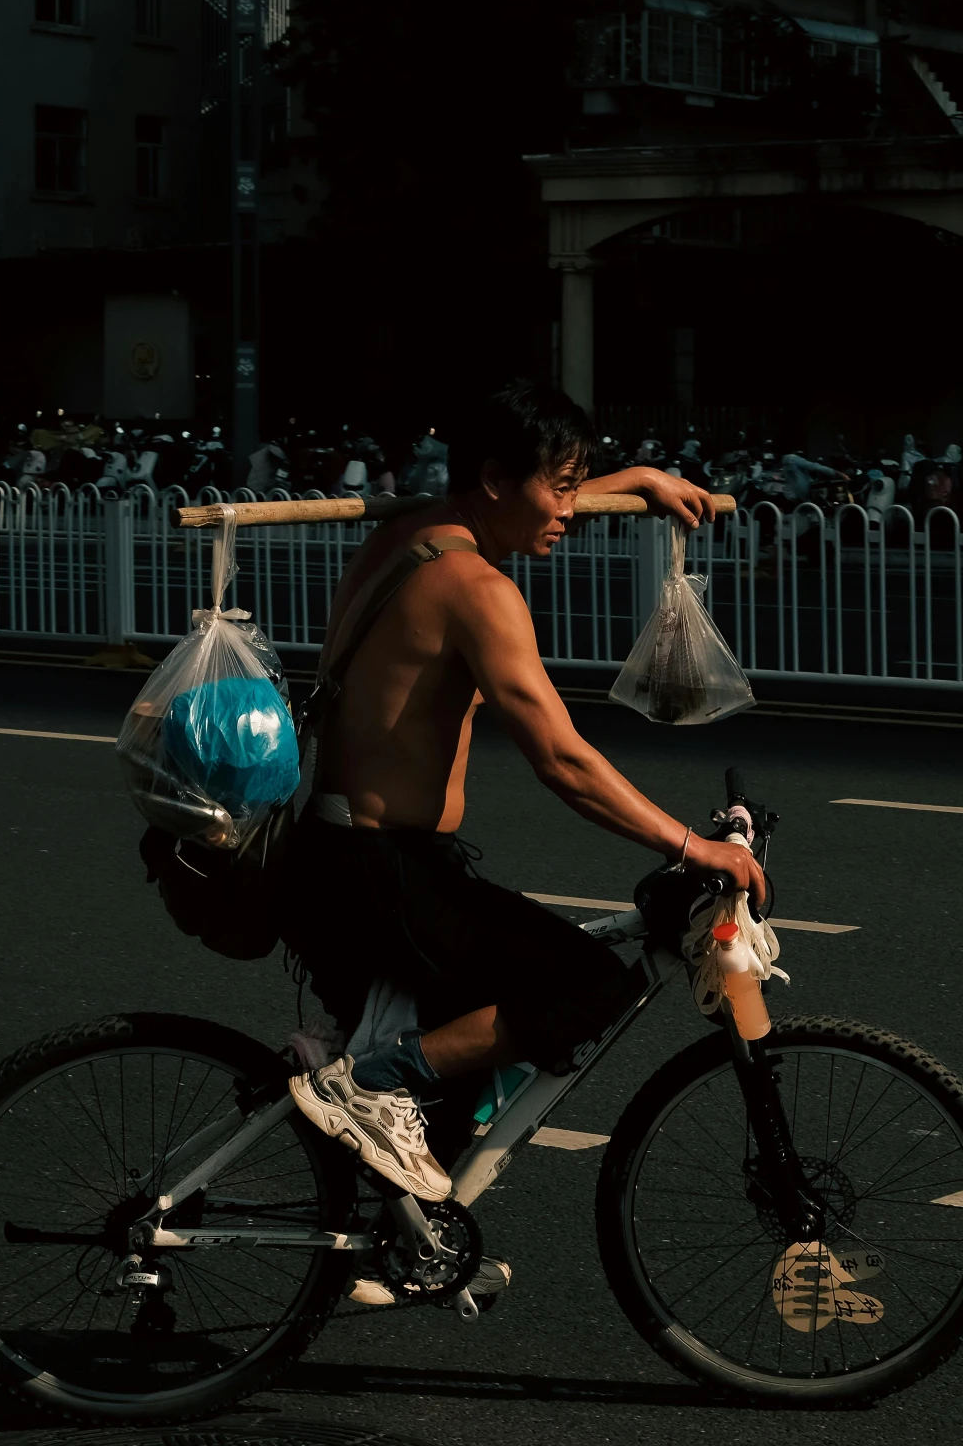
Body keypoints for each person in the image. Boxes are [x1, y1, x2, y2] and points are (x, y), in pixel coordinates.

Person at [279, 381, 768, 1308]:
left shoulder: (416, 533)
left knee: (481, 1027)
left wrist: (638, 480)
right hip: (378, 871)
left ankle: (393, 1240)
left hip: (340, 856)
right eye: (564, 489)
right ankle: (367, 1083)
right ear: (500, 479)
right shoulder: (478, 589)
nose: (572, 511)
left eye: (581, 486)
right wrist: (689, 847)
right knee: (586, 983)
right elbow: (560, 758)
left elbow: (510, 509)